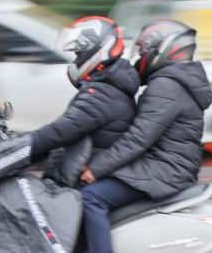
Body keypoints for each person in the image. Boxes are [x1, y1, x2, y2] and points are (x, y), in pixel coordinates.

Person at [68, 19, 212, 253]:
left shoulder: (166, 87)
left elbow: (138, 139)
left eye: (143, 50)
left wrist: (97, 168)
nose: (138, 57)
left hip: (165, 168)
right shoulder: (176, 82)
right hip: (168, 164)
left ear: (161, 50)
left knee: (91, 196)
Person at [29, 16, 140, 179]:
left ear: (98, 50)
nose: (75, 60)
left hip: (85, 178)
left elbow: (57, 132)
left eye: (78, 54)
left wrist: (17, 146)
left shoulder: (102, 93)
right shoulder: (108, 84)